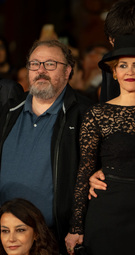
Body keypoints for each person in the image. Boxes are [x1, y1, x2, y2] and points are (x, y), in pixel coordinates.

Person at [65, 35, 135, 255]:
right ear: (114, 72)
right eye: (123, 65)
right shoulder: (97, 113)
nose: (130, 72)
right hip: (109, 209)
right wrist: (76, 227)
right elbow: (85, 171)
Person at [0, 39, 92, 254]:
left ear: (68, 71)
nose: (41, 70)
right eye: (34, 64)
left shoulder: (85, 114)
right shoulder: (8, 111)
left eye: (50, 64)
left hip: (56, 238)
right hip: (7, 240)